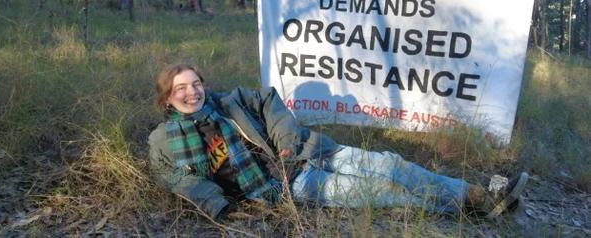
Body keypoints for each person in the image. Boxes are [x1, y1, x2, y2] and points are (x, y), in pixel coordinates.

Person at [147, 64, 528, 221]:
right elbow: (175, 178)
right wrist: (219, 206)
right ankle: (472, 207)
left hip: (308, 152)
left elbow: (269, 100)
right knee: (384, 192)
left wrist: (286, 138)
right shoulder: (164, 141)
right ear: (167, 99)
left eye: (196, 84)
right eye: (181, 88)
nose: (192, 92)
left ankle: (479, 195)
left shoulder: (229, 101)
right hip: (290, 185)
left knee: (391, 164)